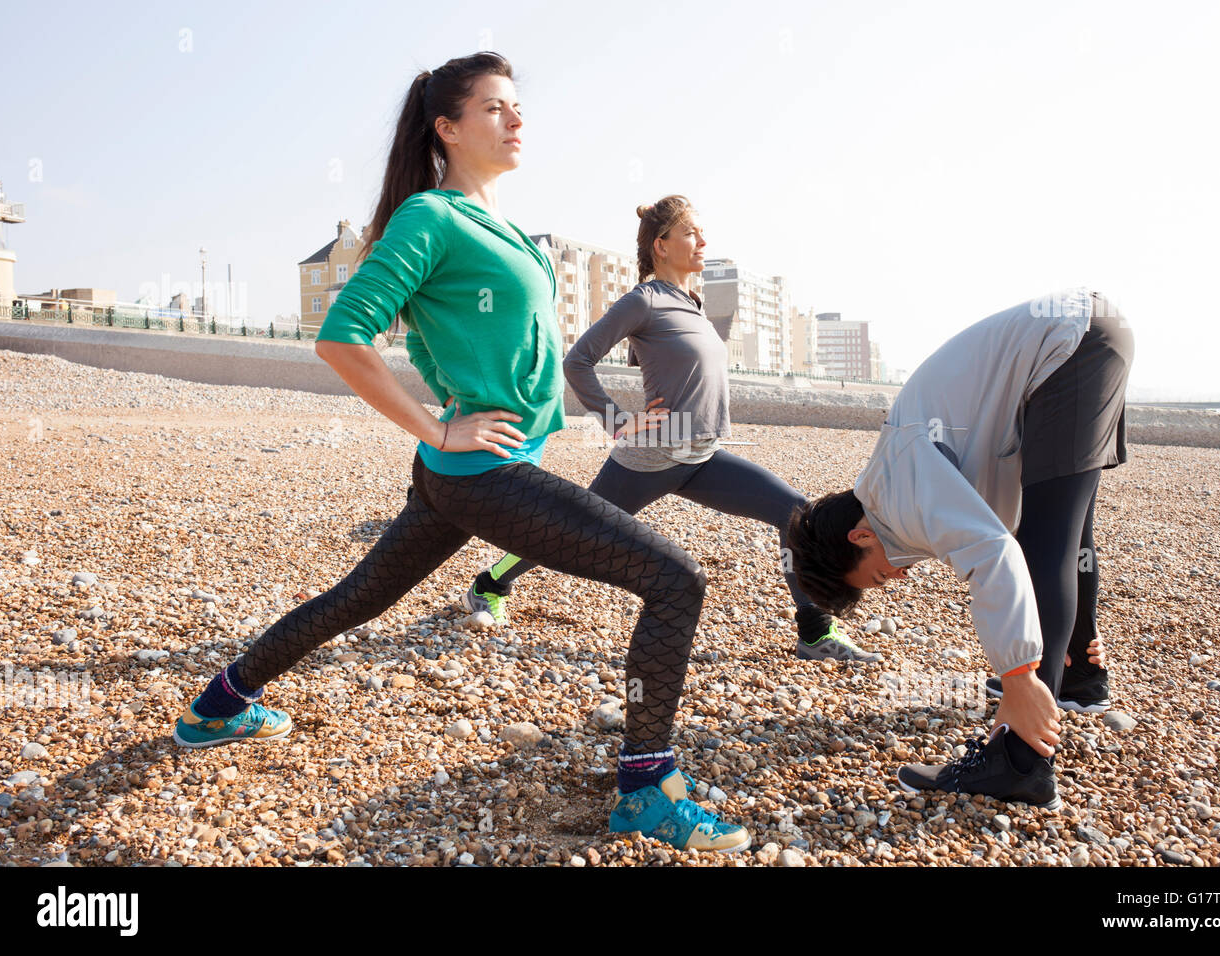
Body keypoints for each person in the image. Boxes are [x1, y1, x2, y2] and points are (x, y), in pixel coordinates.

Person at [171, 53, 748, 854]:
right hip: (481, 471)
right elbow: (342, 336)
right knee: (675, 580)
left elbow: (501, 345)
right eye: (494, 109)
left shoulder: (507, 228)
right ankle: (647, 788)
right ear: (447, 128)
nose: (517, 119)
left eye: (518, 107)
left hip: (469, 473)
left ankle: (217, 706)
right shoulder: (429, 219)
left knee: (362, 596)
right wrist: (440, 427)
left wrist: (589, 407)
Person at [462, 195, 873, 662]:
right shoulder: (644, 300)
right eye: (691, 233)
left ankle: (815, 630)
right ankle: (489, 583)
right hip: (650, 459)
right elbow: (578, 361)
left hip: (701, 457)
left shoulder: (692, 302)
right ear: (661, 245)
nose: (703, 241)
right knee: (570, 533)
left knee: (795, 512)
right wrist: (617, 421)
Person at [786, 288, 1132, 809]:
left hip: (1070, 344)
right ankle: (1081, 678)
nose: (897, 578)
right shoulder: (893, 490)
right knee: (1065, 528)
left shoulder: (900, 484)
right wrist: (1078, 641)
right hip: (1087, 335)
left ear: (859, 536)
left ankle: (1022, 762)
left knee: (1045, 539)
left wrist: (1018, 678)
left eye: (878, 575)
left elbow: (996, 553)